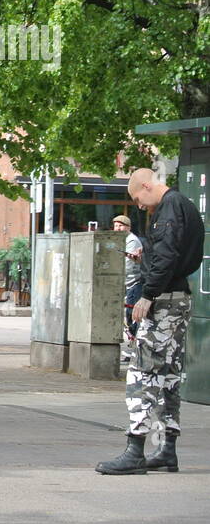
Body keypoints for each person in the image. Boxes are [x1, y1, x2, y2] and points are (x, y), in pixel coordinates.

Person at [96, 168, 204, 475]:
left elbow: (168, 254)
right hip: (179, 298)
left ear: (146, 185)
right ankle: (167, 449)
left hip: (163, 301)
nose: (139, 206)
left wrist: (148, 294)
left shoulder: (168, 208)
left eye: (137, 199)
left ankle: (135, 450)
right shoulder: (184, 205)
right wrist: (148, 261)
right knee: (169, 374)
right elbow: (177, 257)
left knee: (141, 373)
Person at [113, 214, 144, 353]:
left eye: (121, 226)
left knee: (133, 315)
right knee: (128, 316)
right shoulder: (118, 240)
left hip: (134, 283)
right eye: (115, 226)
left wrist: (114, 278)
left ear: (128, 227)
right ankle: (133, 347)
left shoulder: (132, 241)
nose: (117, 228)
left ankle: (136, 348)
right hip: (126, 283)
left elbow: (127, 265)